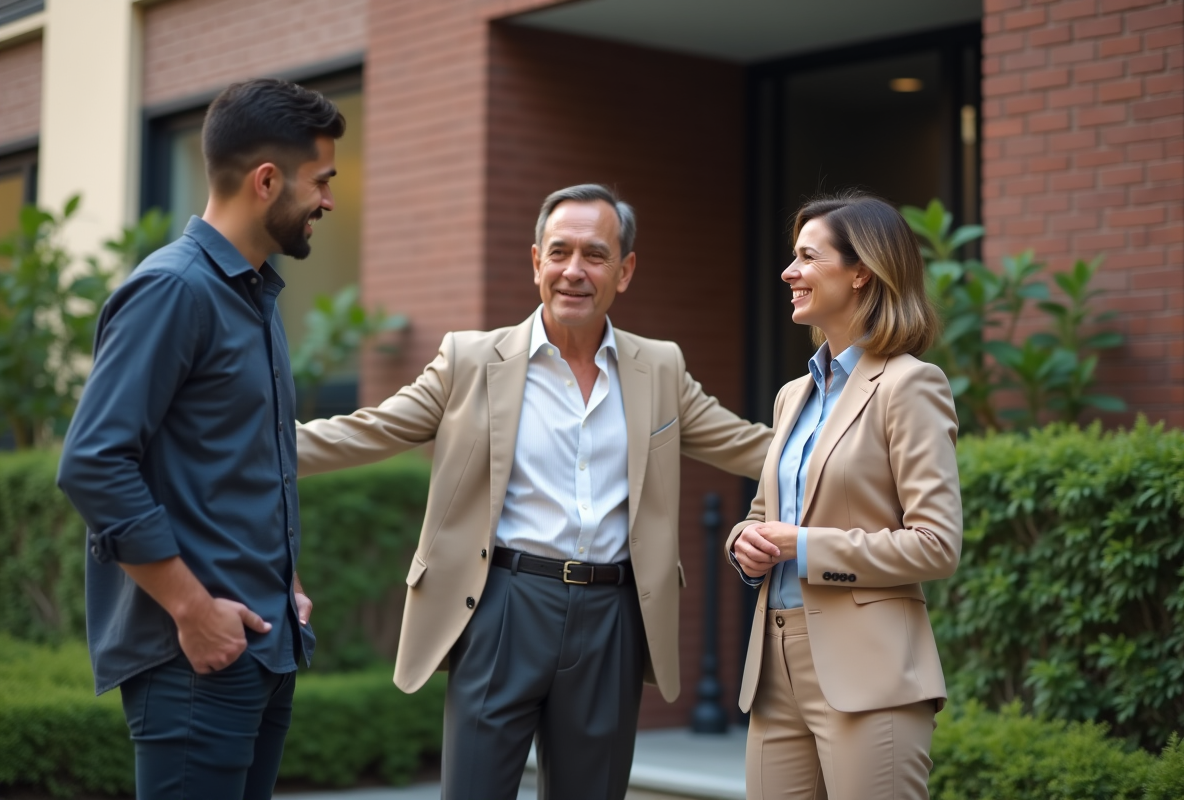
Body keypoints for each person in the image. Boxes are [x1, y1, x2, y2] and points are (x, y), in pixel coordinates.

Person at [295, 183, 773, 800]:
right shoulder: (470, 360)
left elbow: (750, 446)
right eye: (559, 252)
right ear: (535, 262)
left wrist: (856, 458)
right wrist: (243, 450)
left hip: (614, 613)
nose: (574, 271)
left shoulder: (660, 367)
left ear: (624, 271)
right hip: (503, 606)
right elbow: (370, 431)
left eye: (595, 255)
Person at [57, 78, 345, 800]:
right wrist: (193, 609)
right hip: (195, 660)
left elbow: (243, 460)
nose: (330, 202)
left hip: (260, 644)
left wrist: (288, 581)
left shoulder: (254, 294)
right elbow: (93, 464)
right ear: (266, 180)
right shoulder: (174, 290)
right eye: (323, 181)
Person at [728, 192, 962, 800]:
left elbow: (936, 546)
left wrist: (801, 546)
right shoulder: (791, 396)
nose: (789, 272)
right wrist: (745, 544)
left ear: (862, 272)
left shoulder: (910, 385)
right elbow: (763, 517)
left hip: (869, 671)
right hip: (773, 664)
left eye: (808, 257)